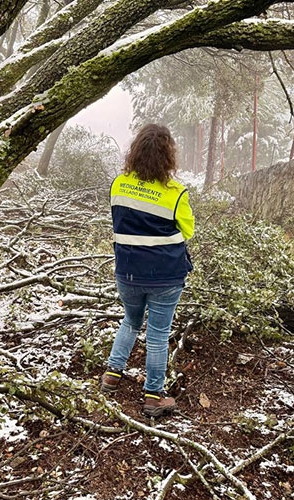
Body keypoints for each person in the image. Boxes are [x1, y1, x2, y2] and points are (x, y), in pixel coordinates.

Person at [100, 124, 194, 418]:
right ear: (168, 156)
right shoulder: (175, 193)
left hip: (127, 272)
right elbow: (188, 230)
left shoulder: (119, 184)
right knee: (157, 334)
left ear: (135, 152)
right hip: (165, 276)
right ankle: (153, 395)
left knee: (130, 320)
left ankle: (112, 375)